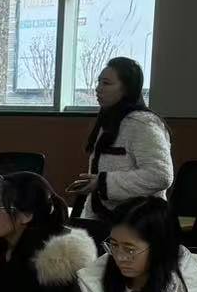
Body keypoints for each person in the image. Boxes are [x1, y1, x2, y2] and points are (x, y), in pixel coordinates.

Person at [67, 57, 173, 228]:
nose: (98, 88)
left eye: (106, 83)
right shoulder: (110, 120)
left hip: (139, 224)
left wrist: (102, 182)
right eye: (99, 82)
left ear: (127, 88)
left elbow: (160, 175)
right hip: (104, 219)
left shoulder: (143, 123)